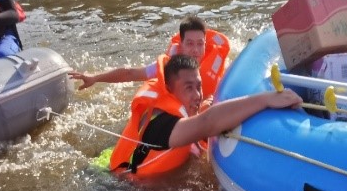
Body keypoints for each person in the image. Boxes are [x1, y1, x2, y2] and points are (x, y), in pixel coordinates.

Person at [108, 54, 301, 176]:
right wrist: (265, 100)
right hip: (128, 188)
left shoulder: (169, 108)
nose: (197, 95)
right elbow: (207, 123)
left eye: (198, 87)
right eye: (188, 88)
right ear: (168, 88)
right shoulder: (161, 125)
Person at [68, 15, 230, 102]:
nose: (195, 50)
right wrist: (95, 78)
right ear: (180, 44)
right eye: (190, 44)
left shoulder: (216, 59)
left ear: (205, 43)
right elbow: (130, 74)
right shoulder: (169, 67)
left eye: (200, 44)